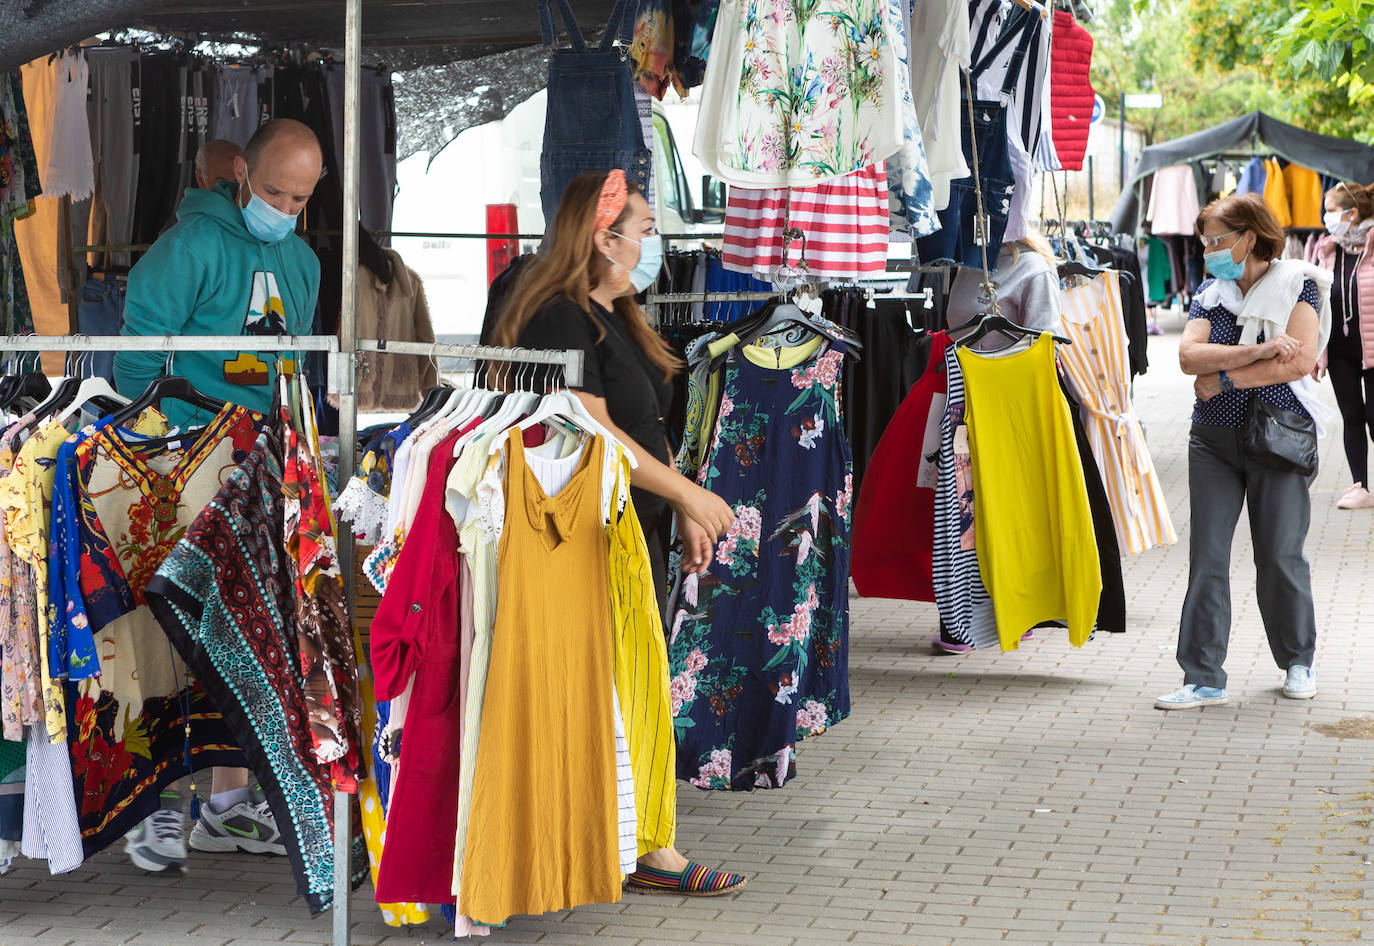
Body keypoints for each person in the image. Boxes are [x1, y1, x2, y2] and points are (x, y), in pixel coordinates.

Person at [492, 169, 747, 896]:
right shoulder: (558, 317)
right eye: (644, 231)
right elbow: (596, 434)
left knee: (631, 681)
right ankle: (644, 850)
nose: (650, 244)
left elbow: (645, 424)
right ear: (603, 239)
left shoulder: (616, 311)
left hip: (633, 530)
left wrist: (681, 506)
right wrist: (689, 493)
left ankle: (634, 841)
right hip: (584, 535)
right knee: (616, 685)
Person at [113, 118, 324, 872]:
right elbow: (137, 354)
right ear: (241, 175)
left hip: (262, 467)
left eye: (300, 198)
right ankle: (151, 806)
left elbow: (295, 366)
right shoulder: (190, 246)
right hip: (181, 464)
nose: (285, 208)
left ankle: (228, 803)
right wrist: (157, 451)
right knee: (164, 634)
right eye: (273, 191)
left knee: (244, 633)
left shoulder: (303, 259)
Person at [1156, 193, 1328, 710]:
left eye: (1216, 241)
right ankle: (1202, 676)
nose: (1207, 250)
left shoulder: (1298, 284)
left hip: (1278, 435)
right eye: (1205, 241)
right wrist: (1258, 350)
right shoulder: (1210, 292)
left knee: (1279, 555)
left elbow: (1297, 363)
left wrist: (1226, 376)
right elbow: (1189, 356)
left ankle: (1298, 661)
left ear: (1249, 238)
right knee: (1207, 557)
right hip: (1212, 439)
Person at [933, 231, 1063, 654]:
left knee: (1008, 513)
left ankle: (1015, 609)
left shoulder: (1035, 269)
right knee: (960, 512)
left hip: (1011, 406)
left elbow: (1047, 346)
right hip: (961, 399)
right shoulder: (967, 264)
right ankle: (960, 617)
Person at [1312, 181, 1374, 510]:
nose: (1326, 218)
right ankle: (1359, 487)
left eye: (1331, 211)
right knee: (1351, 416)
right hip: (1339, 352)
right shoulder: (1327, 250)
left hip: (1373, 351)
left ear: (1352, 214)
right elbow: (1315, 305)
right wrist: (1316, 352)